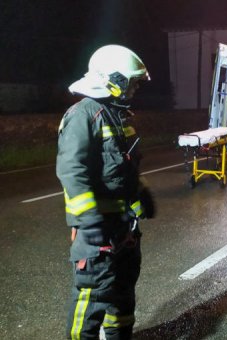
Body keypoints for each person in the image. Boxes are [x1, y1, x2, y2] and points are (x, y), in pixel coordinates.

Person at [57, 44, 154, 339]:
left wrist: (141, 194)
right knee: (91, 302)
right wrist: (89, 218)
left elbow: (124, 168)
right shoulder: (83, 115)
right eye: (133, 82)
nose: (135, 89)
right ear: (114, 79)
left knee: (122, 299)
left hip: (123, 230)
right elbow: (72, 171)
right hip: (97, 234)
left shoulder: (119, 116)